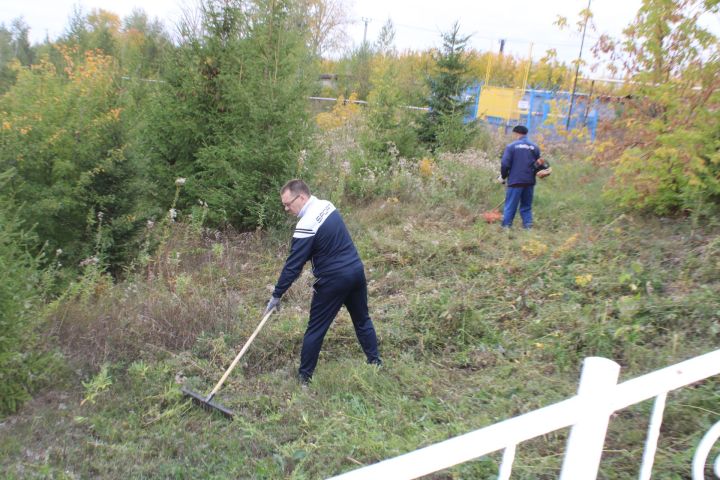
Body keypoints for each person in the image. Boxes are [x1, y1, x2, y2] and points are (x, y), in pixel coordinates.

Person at [265, 179, 381, 386]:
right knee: (362, 320)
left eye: (288, 203)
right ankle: (375, 363)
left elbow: (293, 265)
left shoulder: (306, 223)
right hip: (355, 271)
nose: (286, 208)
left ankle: (304, 379)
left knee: (315, 329)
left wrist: (277, 294)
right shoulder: (327, 205)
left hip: (333, 281)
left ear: (301, 197)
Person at [499, 125, 550, 229]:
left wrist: (503, 176)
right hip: (529, 182)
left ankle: (506, 228)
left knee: (510, 206)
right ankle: (528, 227)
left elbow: (505, 163)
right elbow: (538, 165)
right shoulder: (534, 147)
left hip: (515, 181)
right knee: (526, 206)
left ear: (516, 133)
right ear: (526, 133)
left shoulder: (511, 146)